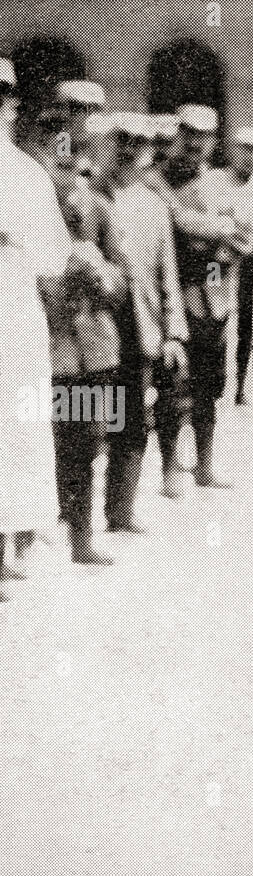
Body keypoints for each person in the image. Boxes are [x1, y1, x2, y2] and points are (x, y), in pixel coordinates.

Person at [147, 103, 253, 489]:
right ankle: (171, 465)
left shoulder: (217, 184)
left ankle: (205, 464)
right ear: (177, 137)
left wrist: (214, 237)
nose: (195, 146)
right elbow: (174, 221)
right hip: (174, 295)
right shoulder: (156, 180)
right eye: (189, 137)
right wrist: (219, 232)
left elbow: (246, 236)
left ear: (213, 143)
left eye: (204, 139)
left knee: (211, 384)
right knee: (175, 384)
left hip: (215, 295)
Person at [0, 58, 73, 597]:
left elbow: (51, 257)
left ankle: (16, 541)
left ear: (11, 107)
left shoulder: (25, 174)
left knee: (19, 424)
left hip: (12, 310)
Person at [41, 111, 128, 563]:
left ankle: (81, 537)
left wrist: (96, 270)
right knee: (47, 442)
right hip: (49, 346)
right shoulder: (30, 210)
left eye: (74, 167)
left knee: (87, 443)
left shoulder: (99, 210)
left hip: (94, 348)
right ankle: (36, 529)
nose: (68, 181)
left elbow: (121, 282)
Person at [94, 113, 190, 516]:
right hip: (100, 327)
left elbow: (168, 271)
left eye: (140, 144)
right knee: (94, 419)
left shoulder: (153, 205)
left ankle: (121, 509)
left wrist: (173, 333)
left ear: (150, 150)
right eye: (124, 142)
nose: (131, 152)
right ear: (112, 145)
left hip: (143, 326)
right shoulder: (93, 196)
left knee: (135, 420)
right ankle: (74, 513)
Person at [223, 126, 253, 406]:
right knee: (222, 324)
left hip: (252, 263)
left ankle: (242, 384)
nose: (250, 157)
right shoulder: (216, 182)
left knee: (248, 325)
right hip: (220, 266)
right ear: (234, 150)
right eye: (245, 149)